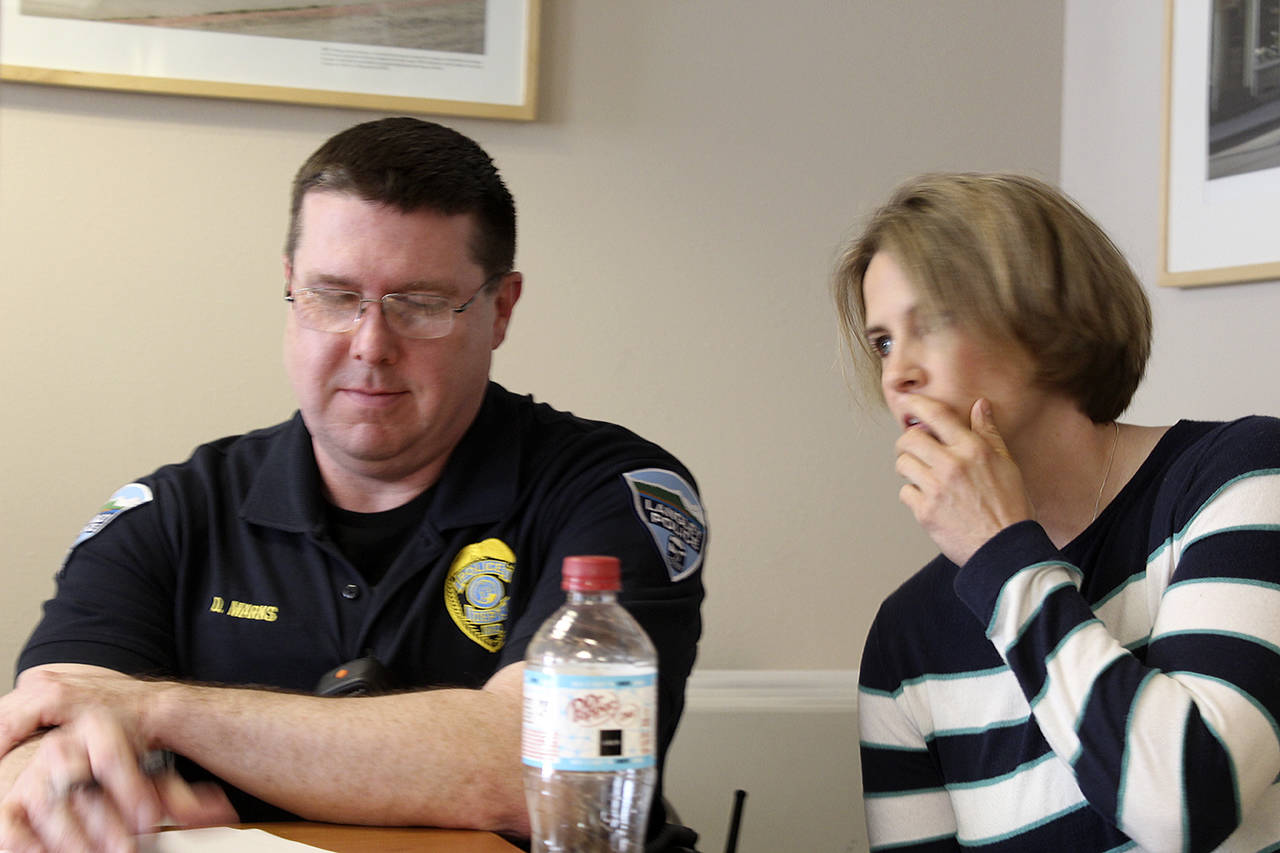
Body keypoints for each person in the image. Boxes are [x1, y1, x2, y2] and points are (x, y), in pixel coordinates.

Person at [0, 117, 707, 852]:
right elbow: (42, 724)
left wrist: (162, 712)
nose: (371, 345)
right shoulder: (172, 513)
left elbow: (540, 770)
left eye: (422, 303)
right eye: (334, 297)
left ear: (500, 309)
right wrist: (50, 786)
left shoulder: (610, 490)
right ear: (288, 288)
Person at [832, 173, 1280, 851]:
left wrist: (999, 555)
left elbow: (1187, 803)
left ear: (1048, 317)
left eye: (932, 322)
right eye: (884, 341)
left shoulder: (1241, 473)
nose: (896, 375)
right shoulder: (908, 636)